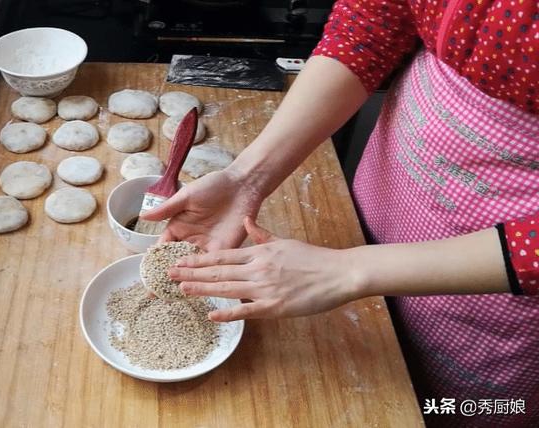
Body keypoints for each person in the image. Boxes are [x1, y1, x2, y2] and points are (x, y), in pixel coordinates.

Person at [143, 0, 539, 426]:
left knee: (442, 409)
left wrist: (348, 270)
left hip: (495, 270)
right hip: (393, 191)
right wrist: (247, 179)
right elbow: (373, 20)